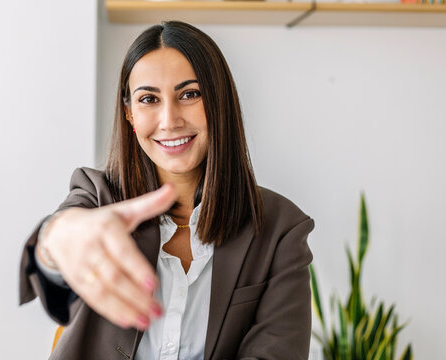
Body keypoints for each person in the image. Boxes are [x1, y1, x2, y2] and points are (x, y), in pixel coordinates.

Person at [19, 20, 314, 360]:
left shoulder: (280, 229)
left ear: (218, 102)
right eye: (149, 99)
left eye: (189, 94)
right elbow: (54, 260)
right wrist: (56, 241)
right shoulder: (96, 197)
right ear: (130, 113)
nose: (169, 120)